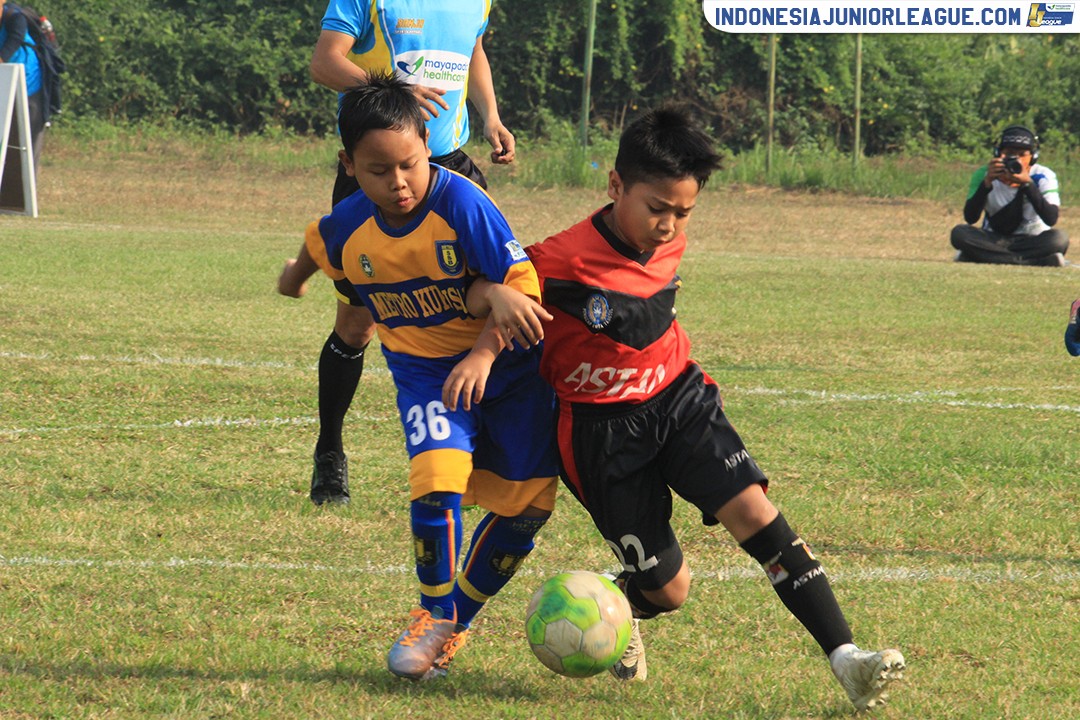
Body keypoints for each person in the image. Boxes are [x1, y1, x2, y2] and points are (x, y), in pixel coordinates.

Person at [453, 106, 906, 711]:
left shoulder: (669, 240)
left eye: (683, 212)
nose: (668, 226)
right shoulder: (559, 258)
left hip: (678, 399)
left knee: (755, 512)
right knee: (669, 591)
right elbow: (479, 290)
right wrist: (486, 339)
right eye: (657, 208)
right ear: (616, 185)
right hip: (599, 433)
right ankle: (617, 600)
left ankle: (846, 657)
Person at [285, 72, 557, 681]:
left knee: (527, 509)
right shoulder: (351, 222)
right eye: (378, 170)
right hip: (424, 375)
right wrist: (293, 277)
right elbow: (319, 241)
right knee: (435, 482)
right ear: (349, 166)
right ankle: (433, 613)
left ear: (427, 145)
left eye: (408, 164)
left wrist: (482, 354)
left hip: (508, 370)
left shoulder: (464, 203)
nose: (399, 182)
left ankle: (454, 623)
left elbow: (520, 289)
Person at [280, 0, 518, 506]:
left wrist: (491, 115)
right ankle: (330, 452)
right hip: (380, 173)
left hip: (448, 167)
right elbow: (324, 62)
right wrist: (396, 94)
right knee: (357, 326)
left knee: (489, 299)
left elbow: (473, 48)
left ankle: (478, 452)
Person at [950, 125, 1069, 266]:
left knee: (1058, 239)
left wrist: (1027, 184)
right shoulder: (984, 174)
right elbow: (970, 218)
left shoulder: (1042, 175)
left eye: (1022, 154)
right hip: (994, 238)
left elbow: (1051, 218)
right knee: (959, 233)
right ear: (998, 154)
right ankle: (1034, 261)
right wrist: (987, 183)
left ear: (1033, 157)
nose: (1016, 159)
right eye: (1010, 153)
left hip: (1032, 239)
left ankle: (980, 257)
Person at [0, 0, 44, 167]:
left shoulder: (15, 18)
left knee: (28, 139)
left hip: (29, 85)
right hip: (4, 84)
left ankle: (29, 177)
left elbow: (15, 40)